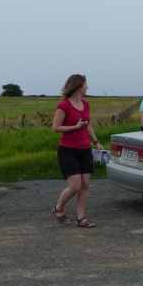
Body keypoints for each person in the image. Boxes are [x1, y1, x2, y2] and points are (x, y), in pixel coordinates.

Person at [50, 74, 102, 228]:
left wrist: (96, 142)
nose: (87, 87)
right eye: (86, 84)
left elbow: (88, 126)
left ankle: (81, 218)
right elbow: (56, 128)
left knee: (85, 185)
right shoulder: (63, 105)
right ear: (78, 86)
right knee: (75, 186)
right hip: (67, 150)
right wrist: (75, 127)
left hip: (85, 149)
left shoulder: (86, 104)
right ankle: (59, 207)